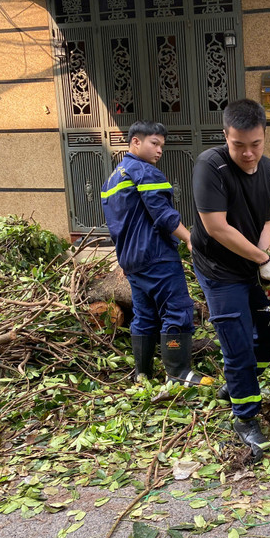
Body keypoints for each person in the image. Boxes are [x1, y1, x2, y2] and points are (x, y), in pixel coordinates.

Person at [191, 99, 270, 460]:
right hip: (218, 268)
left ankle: (237, 384)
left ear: (264, 136)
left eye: (256, 144)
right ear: (225, 137)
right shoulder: (209, 167)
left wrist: (267, 260)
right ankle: (245, 417)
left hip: (248, 264)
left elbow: (264, 222)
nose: (248, 153)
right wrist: (262, 259)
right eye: (238, 145)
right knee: (237, 341)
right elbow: (216, 227)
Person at [100, 121, 213, 388]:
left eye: (162, 145)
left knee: (145, 315)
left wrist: (124, 259)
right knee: (177, 310)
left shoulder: (112, 179)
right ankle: (178, 373)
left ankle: (142, 374)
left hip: (132, 262)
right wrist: (189, 239)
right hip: (157, 256)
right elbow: (162, 215)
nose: (159, 150)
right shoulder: (144, 172)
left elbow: (116, 226)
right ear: (135, 142)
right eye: (154, 143)